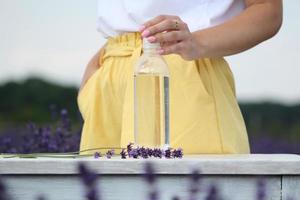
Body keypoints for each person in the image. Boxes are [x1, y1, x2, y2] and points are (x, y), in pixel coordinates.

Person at [77, 0, 282, 155]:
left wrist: (197, 42)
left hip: (182, 74)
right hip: (111, 74)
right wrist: (96, 66)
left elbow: (267, 9)